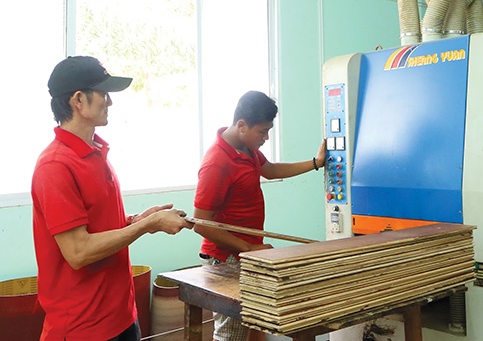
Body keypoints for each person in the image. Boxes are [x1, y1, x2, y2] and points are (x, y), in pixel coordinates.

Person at [31, 56, 192, 341]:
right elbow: (79, 252)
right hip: (83, 328)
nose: (110, 102)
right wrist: (147, 225)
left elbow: (98, 227)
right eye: (103, 94)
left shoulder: (96, 153)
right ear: (78, 100)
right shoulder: (55, 166)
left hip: (122, 317)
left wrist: (138, 220)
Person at [193, 90, 326, 341]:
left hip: (245, 252)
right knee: (230, 335)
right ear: (242, 125)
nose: (266, 138)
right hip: (225, 257)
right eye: (262, 132)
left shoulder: (247, 147)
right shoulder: (217, 162)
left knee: (248, 327)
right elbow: (200, 223)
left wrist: (315, 163)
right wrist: (248, 247)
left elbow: (271, 170)